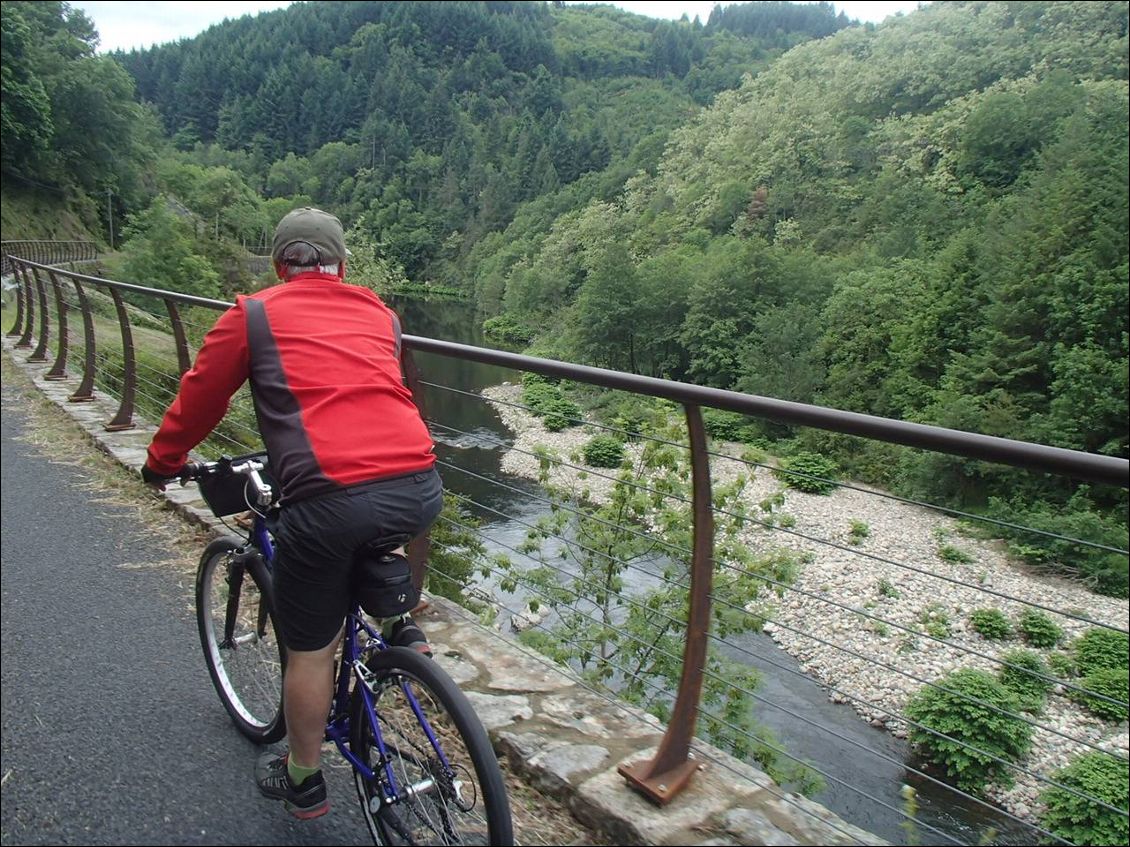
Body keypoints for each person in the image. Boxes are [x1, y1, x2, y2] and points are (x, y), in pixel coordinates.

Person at [141, 207, 442, 820]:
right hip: (419, 481)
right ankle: (403, 627)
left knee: (311, 650)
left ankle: (303, 778)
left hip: (328, 501)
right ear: (342, 265)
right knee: (375, 529)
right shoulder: (380, 313)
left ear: (280, 264)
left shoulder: (252, 315)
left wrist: (163, 461)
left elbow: (200, 399)